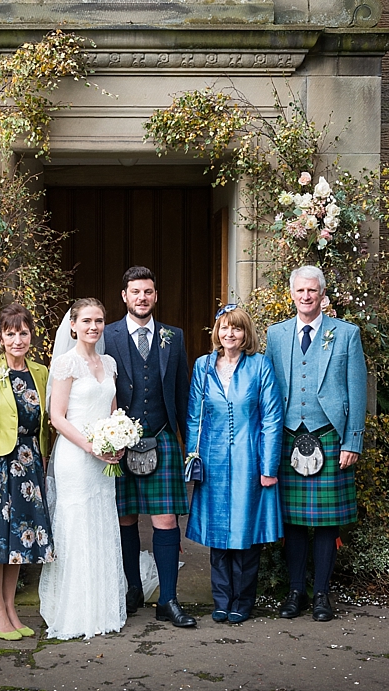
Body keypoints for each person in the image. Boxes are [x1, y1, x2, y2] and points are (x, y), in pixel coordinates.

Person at [266, 265, 367, 622]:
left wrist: (352, 440)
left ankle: (322, 595)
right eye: (300, 291)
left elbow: (358, 391)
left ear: (322, 295)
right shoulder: (275, 335)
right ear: (291, 294)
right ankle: (295, 592)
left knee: (326, 523)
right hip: (288, 435)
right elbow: (268, 391)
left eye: (312, 291)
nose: (306, 297)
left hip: (329, 435)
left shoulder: (346, 334)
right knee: (292, 521)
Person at [104, 266, 196, 628]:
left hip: (162, 438)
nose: (142, 297)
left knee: (166, 519)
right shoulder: (107, 336)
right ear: (124, 296)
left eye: (148, 292)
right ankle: (132, 589)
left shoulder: (173, 337)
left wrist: (191, 445)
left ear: (156, 296)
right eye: (135, 292)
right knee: (125, 518)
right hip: (120, 445)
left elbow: (183, 393)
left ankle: (169, 600)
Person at [185, 306, 283, 624]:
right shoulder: (203, 365)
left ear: (246, 334)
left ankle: (242, 600)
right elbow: (193, 417)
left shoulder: (259, 366)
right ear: (217, 332)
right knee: (217, 534)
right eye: (225, 328)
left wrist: (268, 466)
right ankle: (221, 598)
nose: (230, 334)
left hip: (248, 460)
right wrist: (192, 458)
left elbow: (271, 418)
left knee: (245, 533)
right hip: (212, 461)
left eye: (237, 329)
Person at [0, 303, 54, 641]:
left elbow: (45, 425)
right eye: (10, 333)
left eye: (23, 333)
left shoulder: (41, 372)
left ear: (31, 335)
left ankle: (10, 608)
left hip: (29, 464)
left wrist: (43, 462)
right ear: (1, 337)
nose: (17, 340)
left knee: (21, 538)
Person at [38, 298, 127, 640]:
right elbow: (57, 417)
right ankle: (74, 610)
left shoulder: (109, 362)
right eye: (87, 320)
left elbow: (113, 411)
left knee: (102, 523)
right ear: (72, 325)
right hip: (76, 458)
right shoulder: (65, 364)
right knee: (76, 527)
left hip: (104, 460)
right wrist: (91, 446)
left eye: (99, 320)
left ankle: (102, 607)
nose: (93, 326)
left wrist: (118, 439)